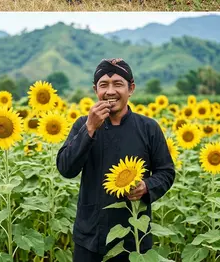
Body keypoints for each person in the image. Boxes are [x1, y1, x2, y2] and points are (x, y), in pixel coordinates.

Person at [57, 59, 175, 262]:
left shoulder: (148, 128)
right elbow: (66, 168)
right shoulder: (82, 125)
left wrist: (147, 186)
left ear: (131, 89)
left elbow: (166, 171)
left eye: (118, 84)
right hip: (90, 237)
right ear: (95, 90)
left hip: (134, 239)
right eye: (104, 85)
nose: (110, 91)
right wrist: (90, 128)